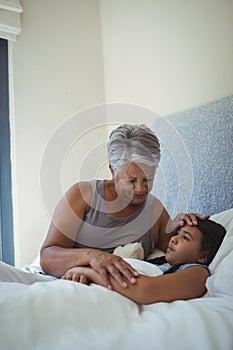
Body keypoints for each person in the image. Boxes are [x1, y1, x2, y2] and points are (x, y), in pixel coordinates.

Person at [40, 123, 209, 289]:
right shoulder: (83, 195)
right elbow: (47, 257)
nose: (141, 189)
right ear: (113, 170)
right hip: (72, 284)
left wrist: (185, 226)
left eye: (148, 179)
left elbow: (179, 254)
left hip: (118, 292)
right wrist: (92, 256)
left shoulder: (154, 210)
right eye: (131, 181)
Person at [62, 218, 226, 304]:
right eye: (178, 233)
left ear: (203, 256)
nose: (174, 239)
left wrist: (88, 272)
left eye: (185, 237)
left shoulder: (197, 272)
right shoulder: (158, 263)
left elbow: (146, 291)